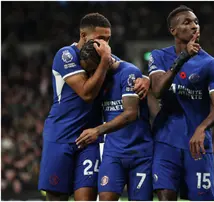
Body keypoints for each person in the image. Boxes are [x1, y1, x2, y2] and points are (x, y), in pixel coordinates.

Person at [38, 13, 149, 201]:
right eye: (100, 38)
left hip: (89, 138)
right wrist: (105, 62)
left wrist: (146, 79)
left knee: (87, 197)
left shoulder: (103, 57)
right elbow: (86, 93)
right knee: (56, 197)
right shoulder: (66, 55)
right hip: (60, 135)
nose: (105, 44)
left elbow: (127, 70)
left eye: (108, 39)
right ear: (83, 36)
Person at [148, 5, 214, 201]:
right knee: (166, 197)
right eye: (187, 22)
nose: (194, 26)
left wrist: (202, 128)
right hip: (166, 141)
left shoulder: (210, 63)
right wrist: (183, 58)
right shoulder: (159, 56)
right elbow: (157, 90)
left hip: (197, 144)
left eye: (196, 22)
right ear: (173, 30)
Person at [75, 40, 154, 201]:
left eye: (92, 70)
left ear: (105, 62)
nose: (91, 76)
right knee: (105, 198)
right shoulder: (99, 82)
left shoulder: (129, 73)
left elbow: (131, 114)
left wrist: (97, 131)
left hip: (140, 153)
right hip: (113, 153)